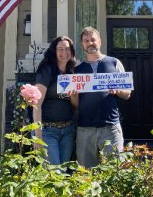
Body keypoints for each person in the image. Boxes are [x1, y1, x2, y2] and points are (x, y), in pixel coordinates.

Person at [73, 27, 131, 168]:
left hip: (110, 128)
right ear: (82, 44)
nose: (90, 43)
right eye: (86, 41)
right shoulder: (77, 70)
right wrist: (73, 95)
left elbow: (127, 93)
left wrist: (118, 91)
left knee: (115, 172)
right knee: (86, 174)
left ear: (100, 41)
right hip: (85, 129)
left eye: (93, 39)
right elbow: (75, 105)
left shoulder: (114, 63)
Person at [33, 36, 76, 166]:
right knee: (53, 171)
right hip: (47, 131)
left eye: (67, 49)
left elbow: (76, 105)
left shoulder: (71, 72)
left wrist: (74, 96)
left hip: (67, 130)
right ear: (54, 51)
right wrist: (37, 135)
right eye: (60, 49)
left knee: (62, 171)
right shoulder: (47, 70)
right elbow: (36, 104)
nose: (64, 53)